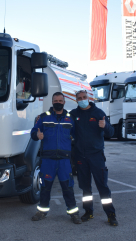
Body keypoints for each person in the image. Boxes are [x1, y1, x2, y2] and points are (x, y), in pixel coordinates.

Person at [30, 92, 82, 224]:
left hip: (64, 160)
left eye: (60, 100)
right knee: (45, 188)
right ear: (52, 102)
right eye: (55, 100)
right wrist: (37, 135)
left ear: (64, 102)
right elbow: (33, 132)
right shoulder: (43, 117)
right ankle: (42, 211)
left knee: (68, 187)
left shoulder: (70, 118)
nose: (58, 102)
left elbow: (76, 136)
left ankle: (73, 213)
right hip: (48, 160)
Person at [70, 90, 118, 226]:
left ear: (88, 98)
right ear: (76, 100)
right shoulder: (74, 114)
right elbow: (61, 120)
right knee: (85, 188)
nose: (82, 99)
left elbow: (111, 132)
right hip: (80, 157)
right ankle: (88, 212)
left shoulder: (98, 113)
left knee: (102, 187)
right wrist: (41, 117)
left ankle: (111, 214)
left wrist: (106, 126)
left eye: (84, 97)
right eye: (79, 98)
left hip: (96, 156)